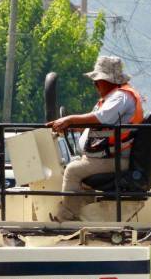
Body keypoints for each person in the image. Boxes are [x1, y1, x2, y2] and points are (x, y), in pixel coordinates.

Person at [49, 56, 144, 220]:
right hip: (112, 156)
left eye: (97, 80)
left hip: (117, 158)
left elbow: (101, 118)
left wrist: (69, 119)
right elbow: (100, 126)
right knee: (76, 169)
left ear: (109, 81)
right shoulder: (114, 98)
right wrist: (70, 125)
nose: (95, 84)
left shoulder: (120, 97)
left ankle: (66, 219)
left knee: (72, 171)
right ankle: (83, 215)